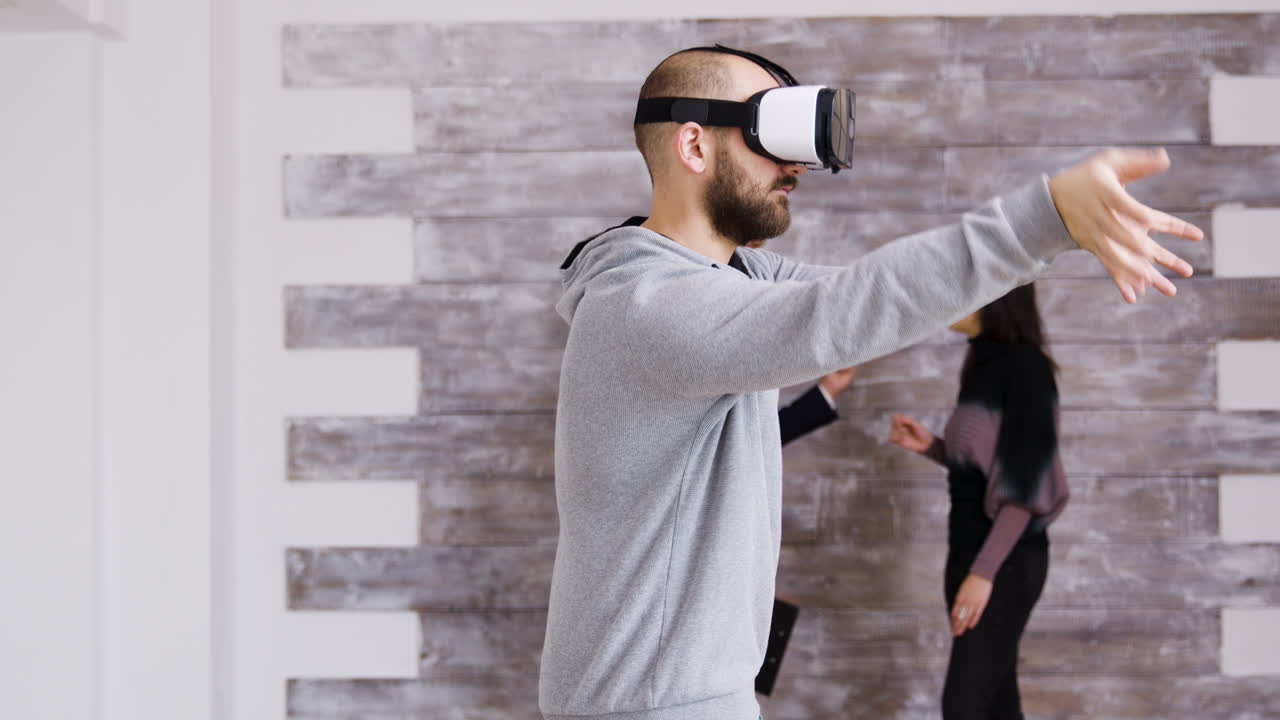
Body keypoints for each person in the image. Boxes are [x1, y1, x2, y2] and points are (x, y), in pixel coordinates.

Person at [540, 44, 1200, 720]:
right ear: (694, 146)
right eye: (769, 134)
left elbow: (872, 301)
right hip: (646, 706)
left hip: (690, 694)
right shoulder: (646, 304)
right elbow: (841, 313)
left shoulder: (732, 279)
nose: (794, 166)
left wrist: (1052, 240)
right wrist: (1042, 216)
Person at [888, 283, 1064, 719]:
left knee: (964, 706)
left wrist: (984, 573)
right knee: (998, 704)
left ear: (998, 298)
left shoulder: (1028, 369)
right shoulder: (982, 363)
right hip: (967, 553)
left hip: (1005, 561)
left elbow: (1024, 488)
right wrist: (932, 446)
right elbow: (985, 470)